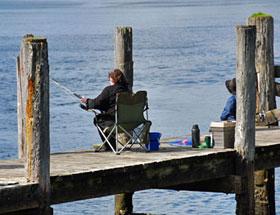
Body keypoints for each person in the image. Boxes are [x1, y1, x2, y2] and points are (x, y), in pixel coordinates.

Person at [80, 69, 129, 151]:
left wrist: (87, 101)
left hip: (115, 122)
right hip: (129, 122)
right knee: (105, 117)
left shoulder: (109, 90)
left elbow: (97, 103)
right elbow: (108, 104)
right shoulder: (127, 90)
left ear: (112, 79)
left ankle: (110, 146)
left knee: (98, 119)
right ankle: (111, 145)